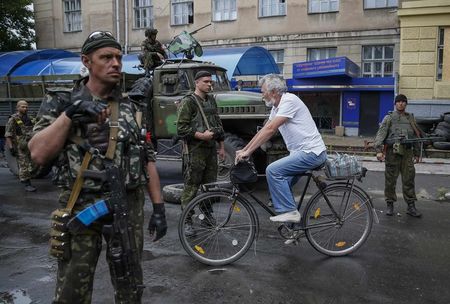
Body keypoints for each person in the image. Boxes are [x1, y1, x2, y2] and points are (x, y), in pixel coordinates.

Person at [28, 31, 167, 303]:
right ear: (86, 61)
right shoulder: (60, 100)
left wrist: (159, 208)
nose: (115, 63)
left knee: (130, 288)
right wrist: (69, 115)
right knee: (72, 291)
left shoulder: (132, 107)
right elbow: (37, 154)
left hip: (127, 205)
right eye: (106, 57)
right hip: (81, 205)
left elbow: (147, 159)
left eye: (118, 57)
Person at [235, 74, 327, 223]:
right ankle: (293, 228)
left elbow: (271, 129)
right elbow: (264, 130)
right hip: (300, 153)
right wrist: (245, 149)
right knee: (281, 185)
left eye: (263, 90)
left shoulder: (289, 100)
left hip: (311, 153)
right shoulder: (276, 107)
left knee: (272, 170)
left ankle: (290, 213)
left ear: (274, 92)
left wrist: (248, 152)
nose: (261, 94)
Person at [176, 71, 225, 232]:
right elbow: (181, 129)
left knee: (209, 185)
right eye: (206, 81)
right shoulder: (188, 102)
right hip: (194, 150)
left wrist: (222, 146)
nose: (210, 84)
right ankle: (187, 220)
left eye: (211, 82)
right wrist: (201, 136)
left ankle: (207, 216)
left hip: (210, 150)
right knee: (191, 186)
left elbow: (217, 123)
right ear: (196, 83)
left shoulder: (211, 100)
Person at [374, 94, 422, 218]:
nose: (401, 104)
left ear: (406, 104)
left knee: (409, 180)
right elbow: (381, 134)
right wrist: (379, 150)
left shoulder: (411, 118)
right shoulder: (389, 118)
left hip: (407, 154)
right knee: (390, 180)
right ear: (395, 104)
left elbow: (415, 137)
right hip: (392, 154)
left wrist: (417, 153)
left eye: (403, 102)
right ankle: (390, 204)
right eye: (398, 102)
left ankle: (411, 206)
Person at [5, 100, 37, 192]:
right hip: (20, 146)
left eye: (26, 107)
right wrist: (11, 147)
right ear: (18, 108)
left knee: (32, 163)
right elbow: (8, 134)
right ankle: (26, 183)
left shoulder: (29, 118)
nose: (25, 108)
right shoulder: (13, 119)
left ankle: (27, 179)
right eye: (23, 107)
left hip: (29, 144)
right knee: (23, 164)